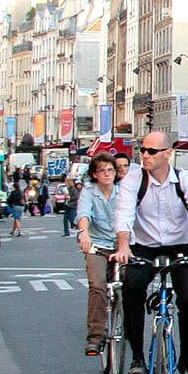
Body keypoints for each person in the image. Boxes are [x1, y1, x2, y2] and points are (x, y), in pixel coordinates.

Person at [113, 132, 188, 374]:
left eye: (151, 151)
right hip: (143, 247)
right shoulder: (133, 180)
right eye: (142, 150)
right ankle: (137, 355)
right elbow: (124, 214)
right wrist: (124, 246)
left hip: (183, 246)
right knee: (131, 289)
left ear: (168, 153)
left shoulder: (184, 180)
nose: (144, 155)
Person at [75, 153, 120, 356]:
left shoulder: (124, 191)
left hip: (122, 245)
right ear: (95, 174)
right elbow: (84, 214)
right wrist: (84, 233)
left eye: (110, 170)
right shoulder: (89, 191)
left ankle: (128, 326)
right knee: (97, 286)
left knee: (133, 284)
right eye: (102, 170)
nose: (107, 174)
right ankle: (96, 337)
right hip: (98, 244)